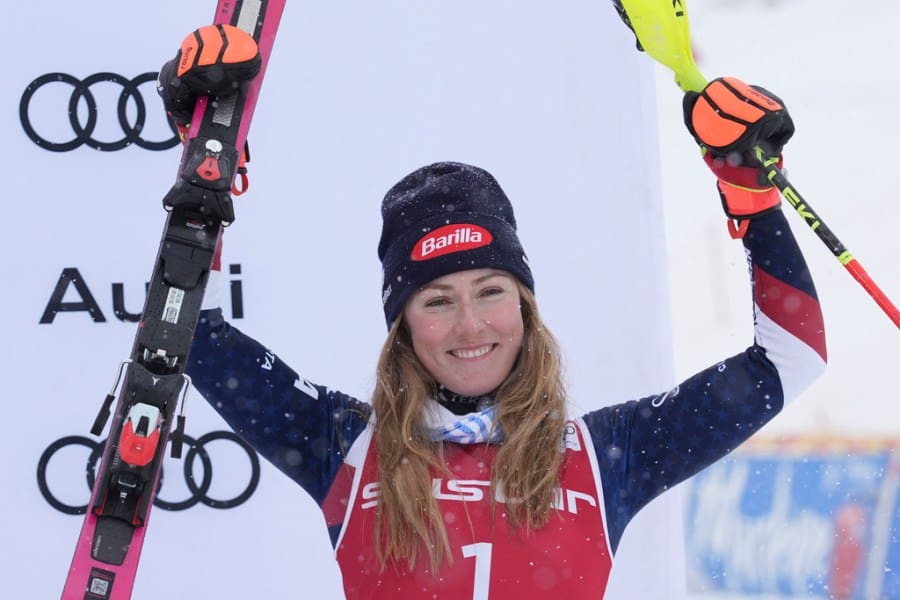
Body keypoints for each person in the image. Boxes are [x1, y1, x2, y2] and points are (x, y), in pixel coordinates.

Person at [158, 25, 828, 599]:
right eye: (437, 301)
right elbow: (193, 330)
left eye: (490, 291)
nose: (471, 325)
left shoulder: (609, 456)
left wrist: (753, 199)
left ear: (525, 307)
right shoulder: (344, 446)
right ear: (403, 327)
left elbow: (790, 362)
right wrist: (206, 158)